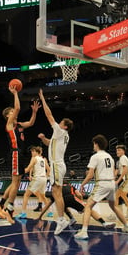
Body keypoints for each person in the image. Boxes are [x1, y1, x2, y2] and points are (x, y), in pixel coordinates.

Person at [0, 87, 41, 223]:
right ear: (8, 115)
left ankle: (1, 203)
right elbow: (18, 108)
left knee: (17, 182)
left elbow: (31, 123)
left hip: (20, 155)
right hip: (15, 153)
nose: (15, 113)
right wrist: (15, 93)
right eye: (12, 112)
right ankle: (9, 209)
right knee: (15, 183)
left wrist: (34, 112)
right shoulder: (9, 124)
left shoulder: (19, 125)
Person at [74, 135, 128, 240]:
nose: (93, 146)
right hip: (111, 183)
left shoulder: (95, 157)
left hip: (102, 183)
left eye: (93, 144)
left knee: (88, 206)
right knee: (113, 206)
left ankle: (83, 231)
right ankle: (127, 226)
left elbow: (90, 175)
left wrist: (82, 184)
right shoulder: (109, 156)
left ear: (96, 144)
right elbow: (113, 171)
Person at [38, 88, 74, 235]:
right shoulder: (60, 135)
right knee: (55, 192)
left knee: (56, 193)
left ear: (64, 126)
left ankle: (61, 219)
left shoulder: (60, 131)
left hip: (57, 165)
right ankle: (61, 219)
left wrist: (42, 98)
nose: (58, 123)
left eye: (61, 122)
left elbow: (48, 115)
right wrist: (43, 139)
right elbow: (50, 144)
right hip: (58, 165)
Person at [37, 181, 116, 229]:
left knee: (61, 206)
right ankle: (104, 223)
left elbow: (47, 205)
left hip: (62, 202)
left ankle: (71, 218)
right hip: (72, 198)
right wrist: (81, 203)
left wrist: (40, 216)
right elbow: (79, 195)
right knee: (88, 209)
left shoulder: (55, 191)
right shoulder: (70, 185)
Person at [16, 146, 50, 218]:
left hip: (37, 179)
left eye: (32, 151)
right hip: (44, 179)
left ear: (36, 152)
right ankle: (50, 212)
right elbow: (49, 170)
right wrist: (45, 177)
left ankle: (23, 213)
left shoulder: (34, 159)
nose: (31, 153)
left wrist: (19, 172)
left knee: (26, 195)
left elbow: (28, 169)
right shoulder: (43, 159)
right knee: (43, 196)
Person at [115, 144, 128, 218]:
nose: (117, 151)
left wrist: (118, 180)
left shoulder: (123, 158)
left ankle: (115, 214)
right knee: (122, 195)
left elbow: (125, 170)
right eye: (117, 150)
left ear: (123, 151)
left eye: (119, 150)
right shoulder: (123, 158)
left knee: (117, 195)